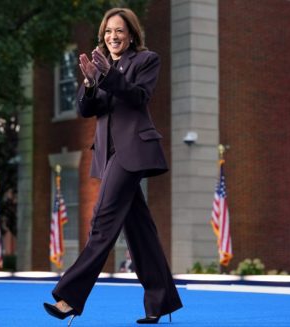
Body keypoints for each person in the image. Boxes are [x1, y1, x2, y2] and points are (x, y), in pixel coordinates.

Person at [43, 7, 183, 325]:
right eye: (107, 31)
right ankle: (160, 302)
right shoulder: (99, 66)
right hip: (108, 156)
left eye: (119, 31)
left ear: (131, 34)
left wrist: (109, 76)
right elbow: (86, 109)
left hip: (133, 151)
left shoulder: (146, 60)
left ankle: (70, 298)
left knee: (102, 222)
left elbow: (138, 97)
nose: (113, 36)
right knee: (140, 230)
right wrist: (91, 83)